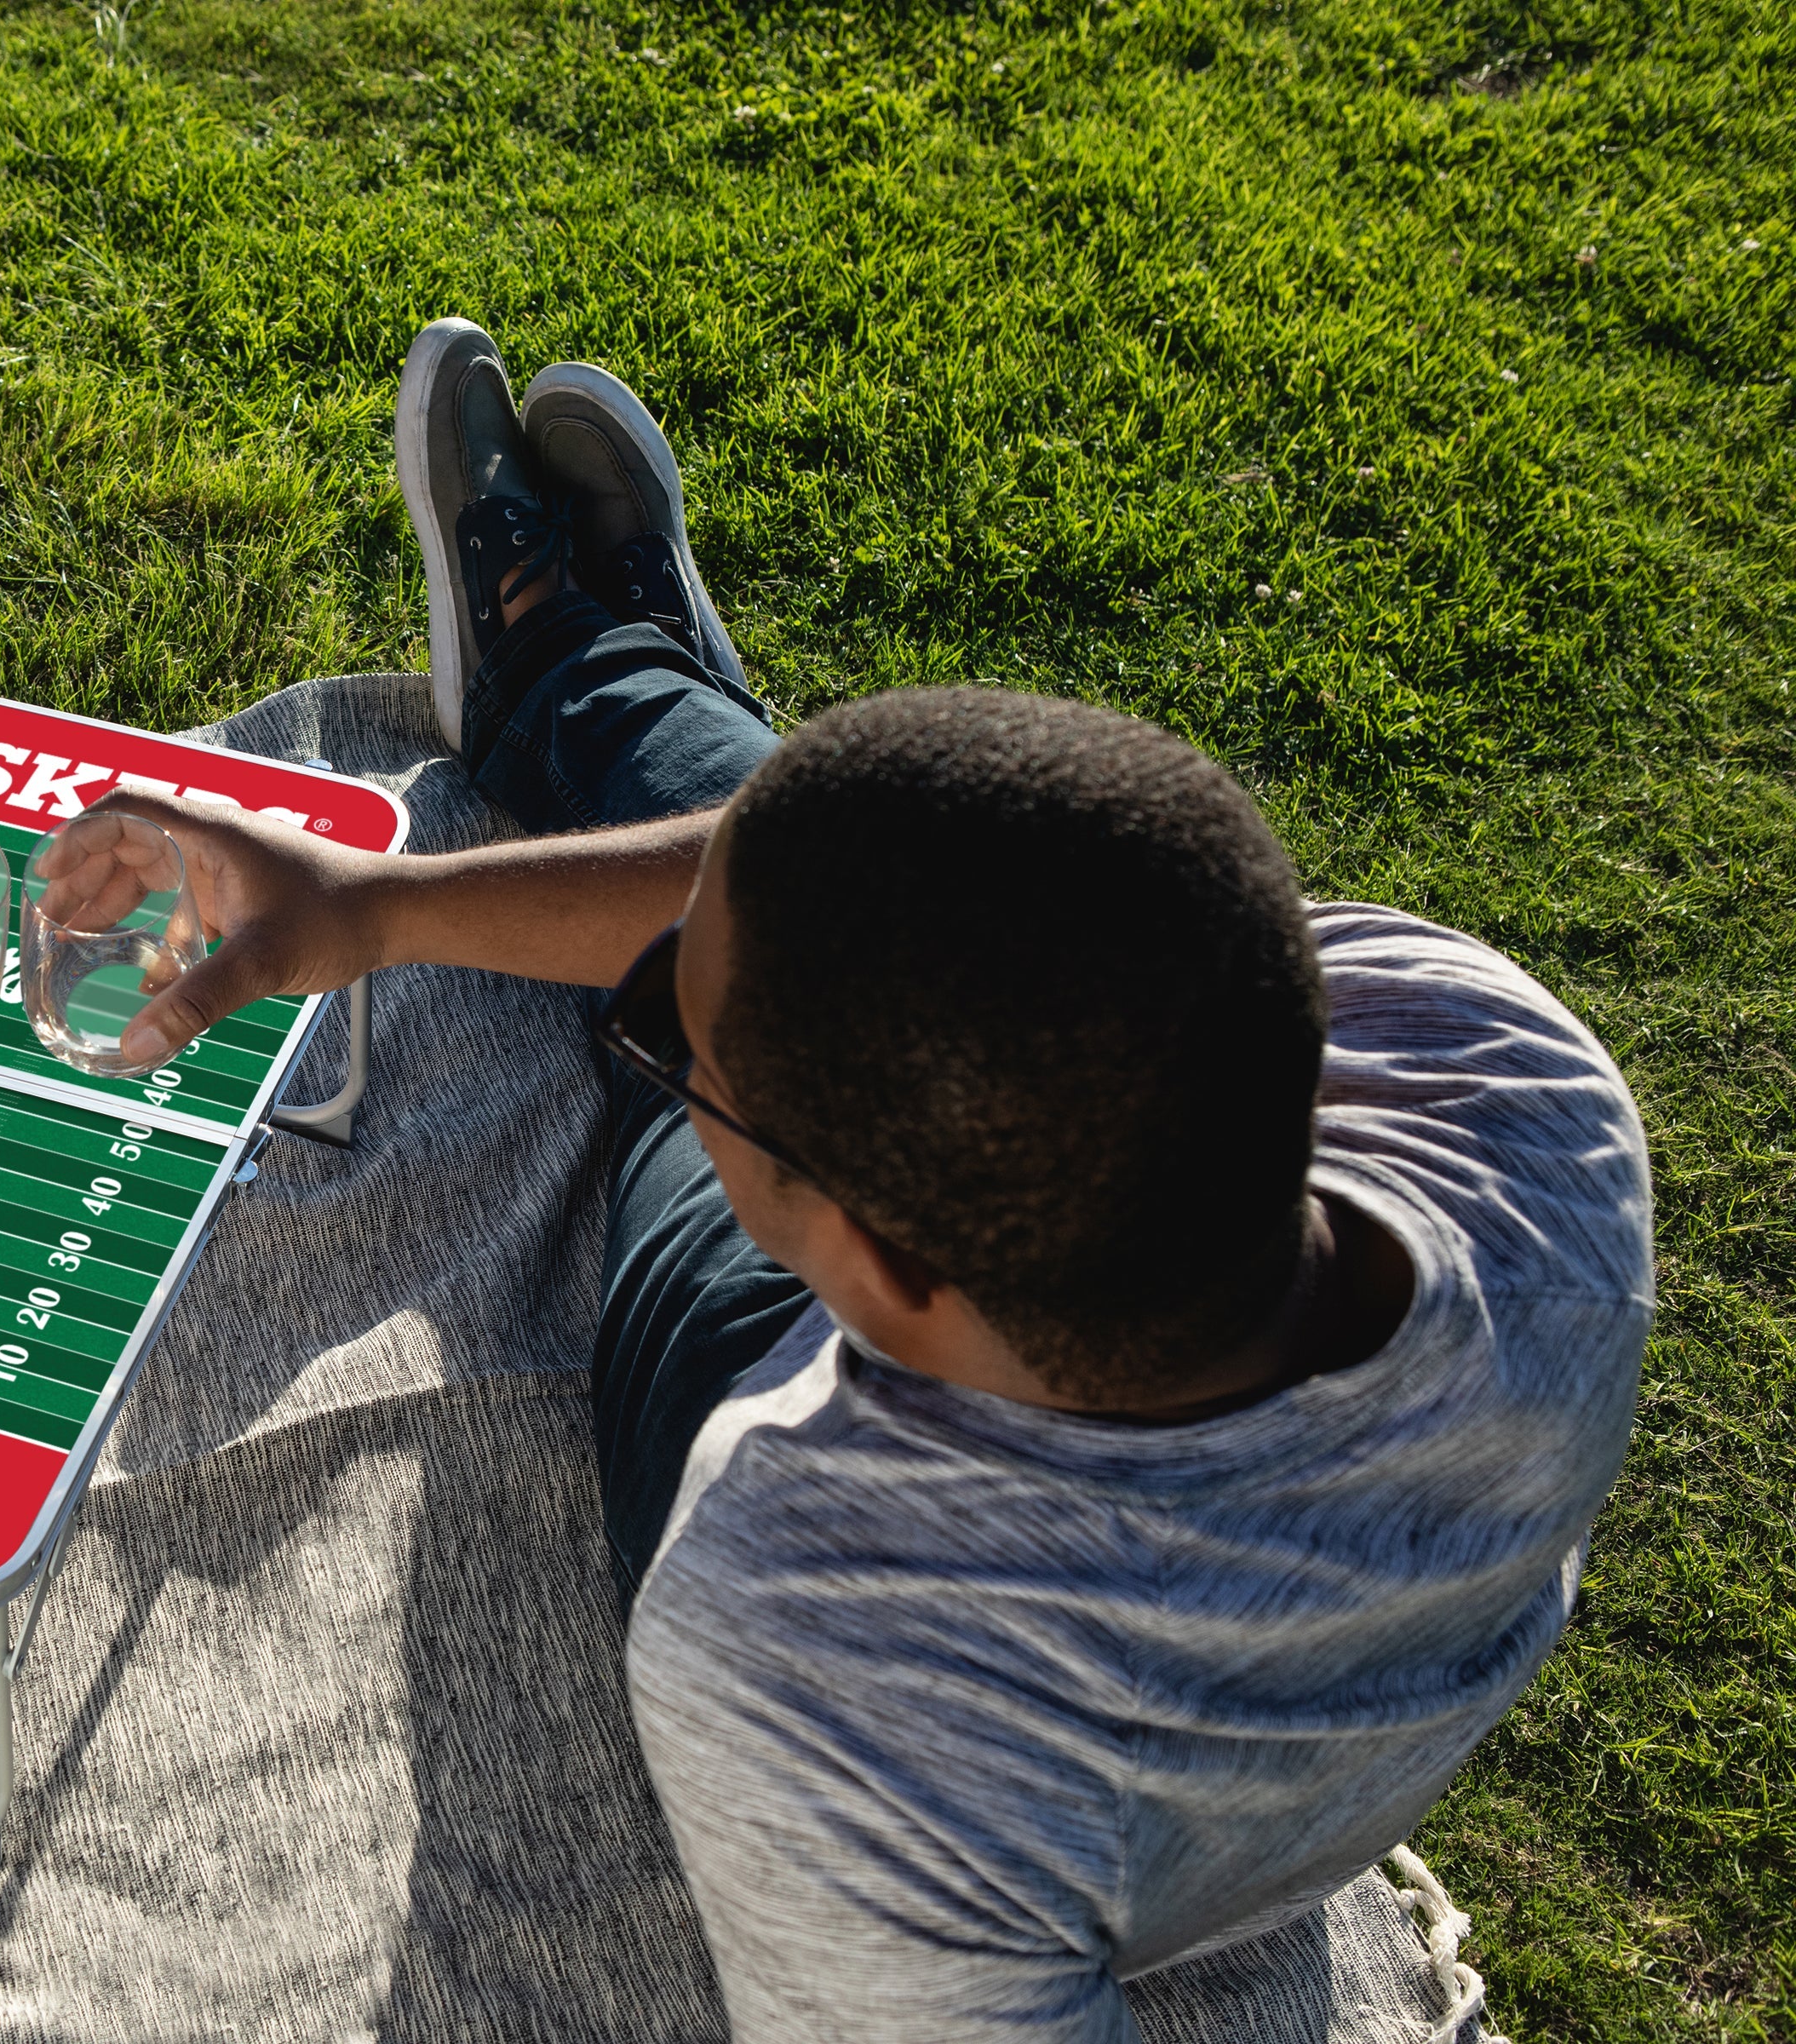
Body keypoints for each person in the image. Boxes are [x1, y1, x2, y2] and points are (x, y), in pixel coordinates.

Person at [95, 317, 1650, 2039]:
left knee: (738, 985)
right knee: (847, 877)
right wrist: (371, 910)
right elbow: (956, 905)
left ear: (874, 1264)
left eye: (681, 1057)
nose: (659, 1052)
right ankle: (614, 687)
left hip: (779, 1401)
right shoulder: (1510, 1076)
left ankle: (592, 679)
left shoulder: (819, 1645)